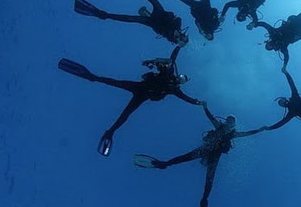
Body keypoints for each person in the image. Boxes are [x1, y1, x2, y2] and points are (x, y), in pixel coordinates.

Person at [133, 104, 265, 207]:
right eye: (228, 120)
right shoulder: (219, 126)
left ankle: (204, 200)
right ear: (226, 121)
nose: (229, 123)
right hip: (205, 150)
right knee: (184, 158)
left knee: (209, 179)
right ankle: (163, 164)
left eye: (231, 122)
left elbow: (247, 133)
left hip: (213, 155)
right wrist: (205, 107)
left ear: (233, 125)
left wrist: (260, 129)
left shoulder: (232, 134)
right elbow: (210, 117)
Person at [57, 45, 203, 157]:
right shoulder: (169, 73)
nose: (180, 79)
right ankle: (92, 77)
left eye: (183, 80)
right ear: (179, 74)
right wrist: (179, 46)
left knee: (126, 114)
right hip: (140, 87)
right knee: (116, 82)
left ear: (182, 83)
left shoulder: (174, 90)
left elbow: (186, 98)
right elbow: (172, 58)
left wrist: (197, 102)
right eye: (182, 77)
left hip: (142, 96)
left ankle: (110, 132)